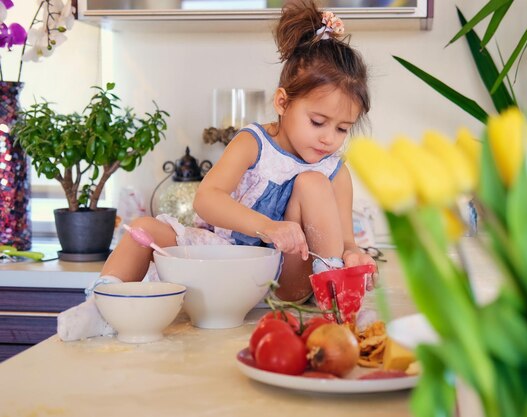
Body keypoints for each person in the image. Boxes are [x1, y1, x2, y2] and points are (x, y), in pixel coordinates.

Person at [57, 0, 377, 341]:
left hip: (285, 280)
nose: (329, 139)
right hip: (226, 263)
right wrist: (268, 227)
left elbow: (343, 241)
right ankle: (102, 308)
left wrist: (353, 254)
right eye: (318, 122)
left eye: (343, 129)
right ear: (282, 102)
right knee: (144, 228)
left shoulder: (333, 171)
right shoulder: (252, 142)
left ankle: (342, 310)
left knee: (312, 182)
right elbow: (206, 200)